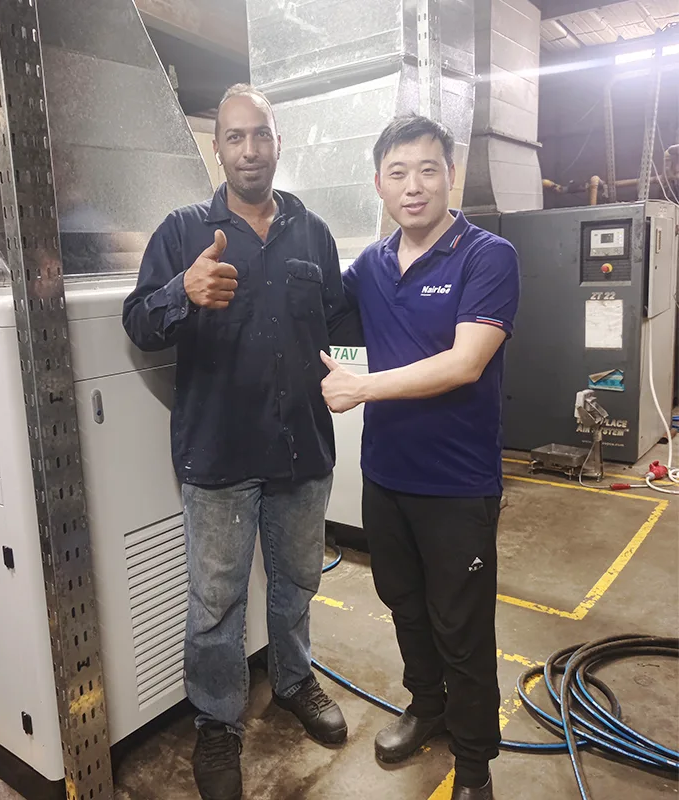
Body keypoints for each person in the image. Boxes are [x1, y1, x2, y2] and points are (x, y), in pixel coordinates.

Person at [123, 84, 357, 800]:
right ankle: (218, 722)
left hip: (302, 450)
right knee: (216, 602)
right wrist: (181, 292)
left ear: (278, 142)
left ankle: (293, 680)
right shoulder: (183, 231)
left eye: (260, 135)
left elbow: (341, 320)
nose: (249, 149)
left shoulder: (313, 233)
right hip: (220, 454)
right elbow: (137, 322)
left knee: (298, 582)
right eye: (234, 137)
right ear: (217, 148)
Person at [319, 116, 520, 800]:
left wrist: (362, 387)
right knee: (404, 604)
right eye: (398, 173)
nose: (413, 187)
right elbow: (317, 307)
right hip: (386, 477)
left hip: (458, 485)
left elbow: (466, 363)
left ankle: (475, 766)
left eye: (428, 170)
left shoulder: (487, 257)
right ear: (379, 184)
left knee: (462, 628)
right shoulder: (372, 266)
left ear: (450, 176)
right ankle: (426, 707)